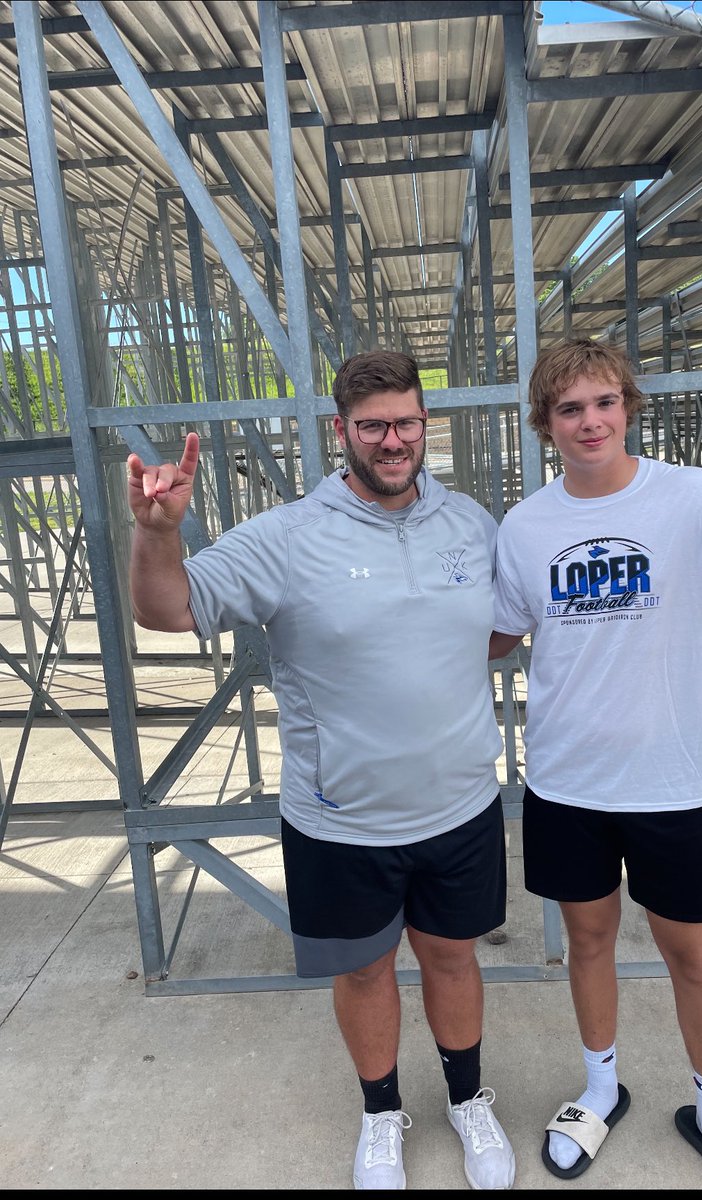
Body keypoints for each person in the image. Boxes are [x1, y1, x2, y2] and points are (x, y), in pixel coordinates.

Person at [127, 349, 516, 1192]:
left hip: (458, 808)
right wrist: (158, 534)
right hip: (340, 820)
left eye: (406, 422)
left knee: (453, 959)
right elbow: (167, 609)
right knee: (365, 970)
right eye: (372, 425)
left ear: (425, 424)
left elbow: (500, 626)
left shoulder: (470, 524)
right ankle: (382, 1114)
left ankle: (467, 1100)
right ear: (341, 431)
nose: (392, 440)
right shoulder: (288, 536)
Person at [489, 338, 702, 1191]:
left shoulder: (696, 500)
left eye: (604, 402)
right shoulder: (528, 526)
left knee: (691, 954)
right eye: (570, 408)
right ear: (546, 425)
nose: (590, 421)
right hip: (566, 781)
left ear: (628, 407)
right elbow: (495, 632)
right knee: (589, 941)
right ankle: (600, 1089)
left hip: (671, 781)